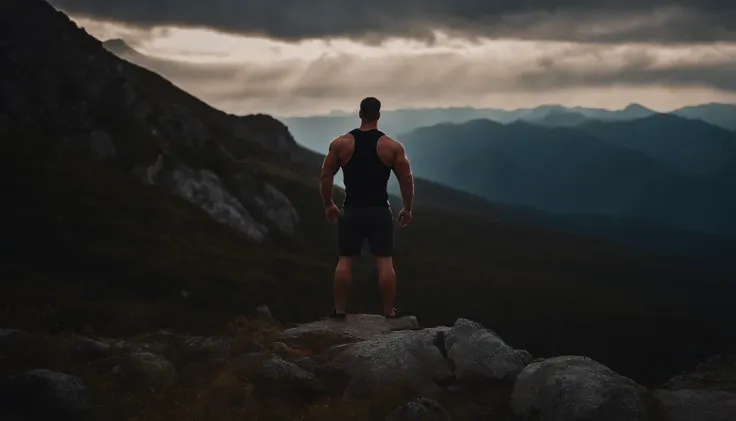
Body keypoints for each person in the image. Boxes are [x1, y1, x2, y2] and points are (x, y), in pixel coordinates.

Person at [319, 96, 414, 320]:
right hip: (380, 210)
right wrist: (408, 207)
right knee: (384, 261)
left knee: (345, 259)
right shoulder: (392, 147)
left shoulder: (340, 144)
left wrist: (328, 203)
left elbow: (325, 175)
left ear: (360, 113)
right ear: (379, 116)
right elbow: (406, 179)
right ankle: (389, 312)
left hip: (351, 210)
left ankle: (339, 309)